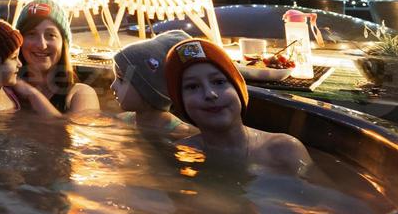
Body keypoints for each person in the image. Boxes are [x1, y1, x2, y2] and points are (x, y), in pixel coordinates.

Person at [163, 37, 313, 176]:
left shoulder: (284, 150)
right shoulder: (183, 154)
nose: (210, 94)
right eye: (193, 86)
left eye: (219, 82)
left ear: (239, 89)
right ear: (179, 101)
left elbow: (322, 201)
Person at [14, 0, 99, 114]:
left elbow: (77, 132)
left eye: (50, 35)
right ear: (19, 42)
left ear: (63, 44)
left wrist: (31, 94)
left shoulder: (80, 94)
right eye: (31, 34)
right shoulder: (5, 90)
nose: (42, 45)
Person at [111, 30, 195, 138]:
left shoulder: (180, 133)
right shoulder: (121, 120)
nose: (112, 86)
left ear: (150, 88)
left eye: (121, 80)